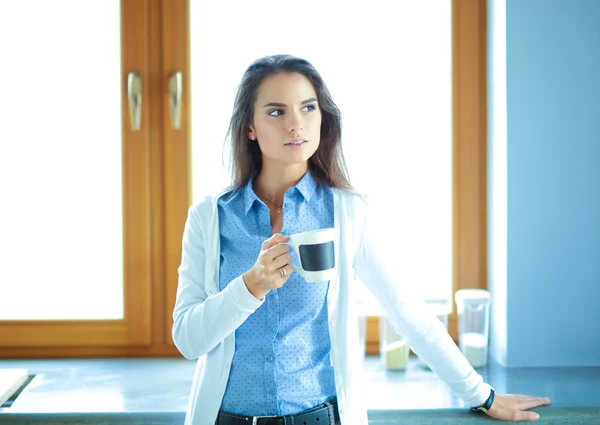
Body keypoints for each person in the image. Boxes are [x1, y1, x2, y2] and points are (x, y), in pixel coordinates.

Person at [172, 54, 551, 425]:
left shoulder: (348, 214)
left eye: (308, 108)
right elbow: (188, 340)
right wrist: (250, 287)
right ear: (250, 127)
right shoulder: (209, 217)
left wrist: (481, 395)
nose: (295, 125)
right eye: (276, 112)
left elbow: (409, 315)